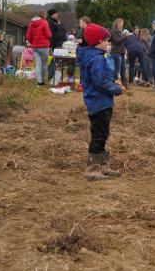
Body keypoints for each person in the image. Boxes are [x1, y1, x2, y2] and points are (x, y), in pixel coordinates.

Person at [76, 23, 123, 181]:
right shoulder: (96, 59)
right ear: (97, 41)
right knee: (98, 135)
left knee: (103, 134)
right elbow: (99, 82)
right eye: (105, 41)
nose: (108, 43)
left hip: (102, 102)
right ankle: (92, 169)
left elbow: (103, 78)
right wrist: (116, 89)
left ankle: (103, 165)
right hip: (98, 102)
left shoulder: (98, 56)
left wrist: (114, 82)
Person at [26, 10, 52, 86]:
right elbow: (48, 35)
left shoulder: (31, 23)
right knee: (44, 64)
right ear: (43, 15)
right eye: (45, 15)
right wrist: (50, 34)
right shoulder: (44, 22)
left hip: (35, 47)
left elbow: (28, 36)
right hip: (44, 46)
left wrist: (31, 42)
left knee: (38, 64)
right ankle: (43, 80)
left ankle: (39, 81)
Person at [46, 9, 67, 80]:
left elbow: (62, 31)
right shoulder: (49, 22)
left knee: (58, 61)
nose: (57, 15)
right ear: (51, 14)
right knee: (52, 60)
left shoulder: (57, 22)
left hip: (60, 44)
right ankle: (51, 75)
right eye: (55, 14)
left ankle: (57, 75)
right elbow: (50, 35)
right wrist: (50, 46)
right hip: (54, 45)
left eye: (57, 14)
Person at [109, 18, 127, 86]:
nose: (122, 26)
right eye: (122, 24)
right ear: (118, 24)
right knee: (117, 70)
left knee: (123, 69)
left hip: (121, 53)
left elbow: (121, 40)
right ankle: (115, 84)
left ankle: (124, 84)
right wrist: (125, 36)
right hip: (116, 52)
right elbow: (117, 40)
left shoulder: (119, 32)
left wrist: (125, 36)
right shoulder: (113, 31)